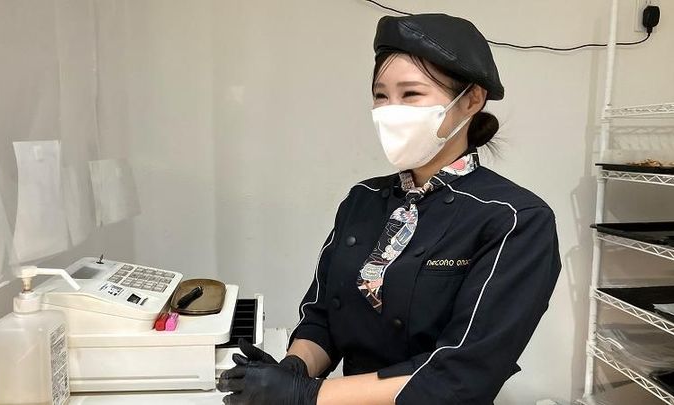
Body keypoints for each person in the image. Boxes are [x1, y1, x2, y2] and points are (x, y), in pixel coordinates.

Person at [217, 13, 561, 405]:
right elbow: (323, 316)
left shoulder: (515, 219)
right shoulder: (362, 199)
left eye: (411, 94)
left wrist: (306, 394)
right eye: (381, 96)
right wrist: (295, 367)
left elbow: (462, 373)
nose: (390, 110)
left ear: (471, 100)